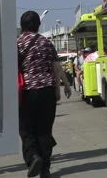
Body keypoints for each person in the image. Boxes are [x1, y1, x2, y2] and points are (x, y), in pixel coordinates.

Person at [17, 11, 72, 178]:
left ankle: (33, 156)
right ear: (38, 25)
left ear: (22, 25)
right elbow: (56, 67)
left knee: (26, 130)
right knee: (44, 131)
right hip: (47, 91)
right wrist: (64, 85)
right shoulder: (46, 43)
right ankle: (45, 169)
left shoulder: (18, 43)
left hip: (27, 92)